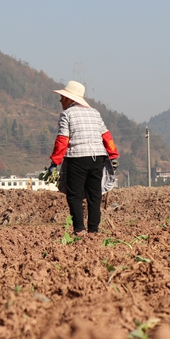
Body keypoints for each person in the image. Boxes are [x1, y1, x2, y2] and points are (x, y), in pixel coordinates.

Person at [46, 81, 119, 235]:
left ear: (69, 99)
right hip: (97, 158)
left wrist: (54, 163)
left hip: (78, 158)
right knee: (94, 195)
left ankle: (79, 229)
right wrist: (113, 156)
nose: (60, 100)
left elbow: (62, 140)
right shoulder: (95, 112)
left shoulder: (67, 114)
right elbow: (106, 135)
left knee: (74, 195)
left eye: (62, 97)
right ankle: (94, 230)